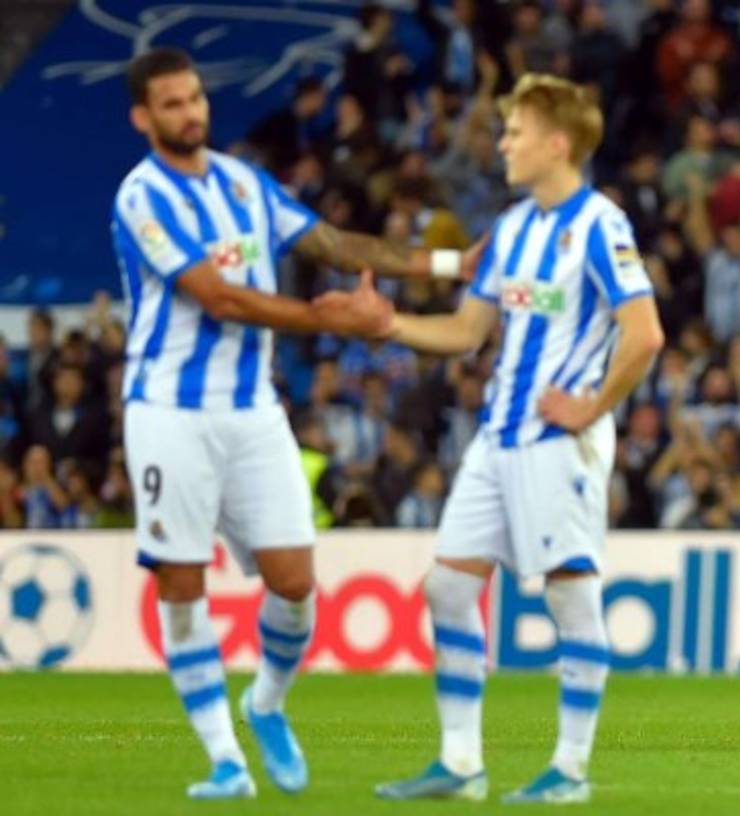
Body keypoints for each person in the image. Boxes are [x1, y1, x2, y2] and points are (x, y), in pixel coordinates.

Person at [113, 48, 471, 800]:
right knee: (181, 583)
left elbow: (334, 245)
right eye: (173, 104)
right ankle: (224, 760)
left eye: (197, 98)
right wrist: (323, 317)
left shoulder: (244, 182)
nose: (191, 113)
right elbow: (222, 298)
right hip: (169, 414)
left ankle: (266, 703)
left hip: (252, 412)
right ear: (143, 118)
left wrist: (446, 268)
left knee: (297, 583)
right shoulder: (142, 198)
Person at [317, 73, 665, 803]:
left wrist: (593, 406)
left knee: (570, 600)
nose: (501, 142)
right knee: (447, 588)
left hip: (555, 445)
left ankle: (570, 771)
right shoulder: (512, 228)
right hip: (496, 439)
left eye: (515, 132)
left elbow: (645, 334)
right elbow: (467, 332)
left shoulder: (599, 225)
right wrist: (390, 326)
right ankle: (461, 765)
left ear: (557, 143)